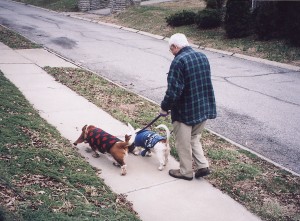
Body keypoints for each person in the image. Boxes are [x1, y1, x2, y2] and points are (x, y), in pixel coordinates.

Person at [160, 33, 217, 181]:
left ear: (174, 46)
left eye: (170, 49)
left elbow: (173, 92)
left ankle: (185, 172)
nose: (171, 53)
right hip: (203, 107)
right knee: (194, 138)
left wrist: (165, 107)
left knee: (183, 143)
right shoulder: (202, 57)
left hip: (186, 112)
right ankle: (202, 166)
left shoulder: (179, 61)